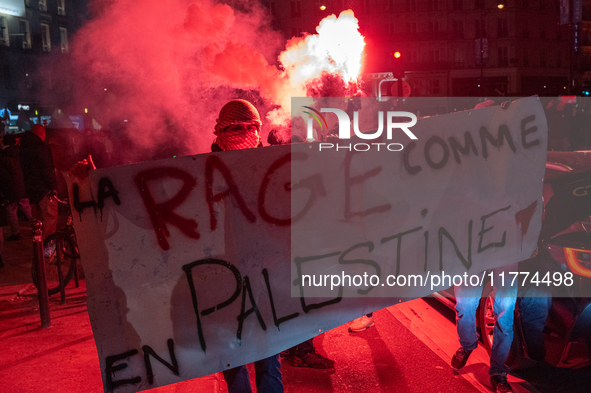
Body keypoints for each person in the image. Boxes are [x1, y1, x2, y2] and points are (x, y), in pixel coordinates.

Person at [211, 99, 283, 392]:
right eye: (236, 127)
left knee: (269, 350)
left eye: (251, 127)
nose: (245, 132)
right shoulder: (202, 171)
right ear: (219, 131)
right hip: (222, 276)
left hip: (266, 274)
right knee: (231, 352)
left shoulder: (273, 167)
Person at [451, 264, 518, 393]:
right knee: (464, 307)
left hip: (507, 253)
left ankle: (499, 373)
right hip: (473, 251)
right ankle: (467, 344)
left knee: (505, 317)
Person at [19, 124, 58, 245]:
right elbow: (47, 170)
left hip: (31, 190)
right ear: (42, 133)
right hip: (44, 190)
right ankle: (49, 246)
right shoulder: (41, 148)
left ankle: (39, 247)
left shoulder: (23, 148)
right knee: (50, 218)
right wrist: (53, 187)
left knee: (37, 222)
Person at [1, 134, 33, 240]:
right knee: (26, 207)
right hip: (21, 184)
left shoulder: (2, 156)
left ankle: (16, 232)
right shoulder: (20, 152)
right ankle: (37, 226)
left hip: (10, 187)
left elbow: (4, 176)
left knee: (11, 210)